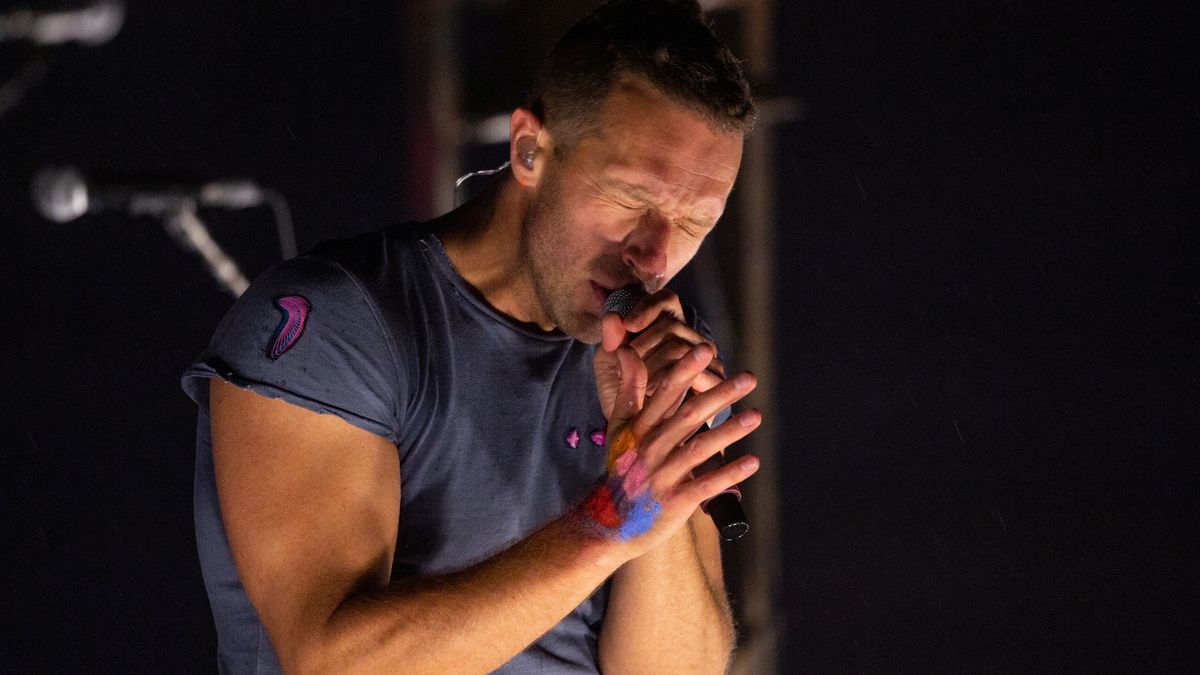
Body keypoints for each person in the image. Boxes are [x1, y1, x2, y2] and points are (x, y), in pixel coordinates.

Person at [182, 1, 761, 672]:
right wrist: (610, 520)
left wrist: (650, 474)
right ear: (528, 150)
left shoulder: (659, 364)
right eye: (633, 200)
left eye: (695, 222)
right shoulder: (340, 322)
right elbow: (334, 662)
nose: (656, 255)